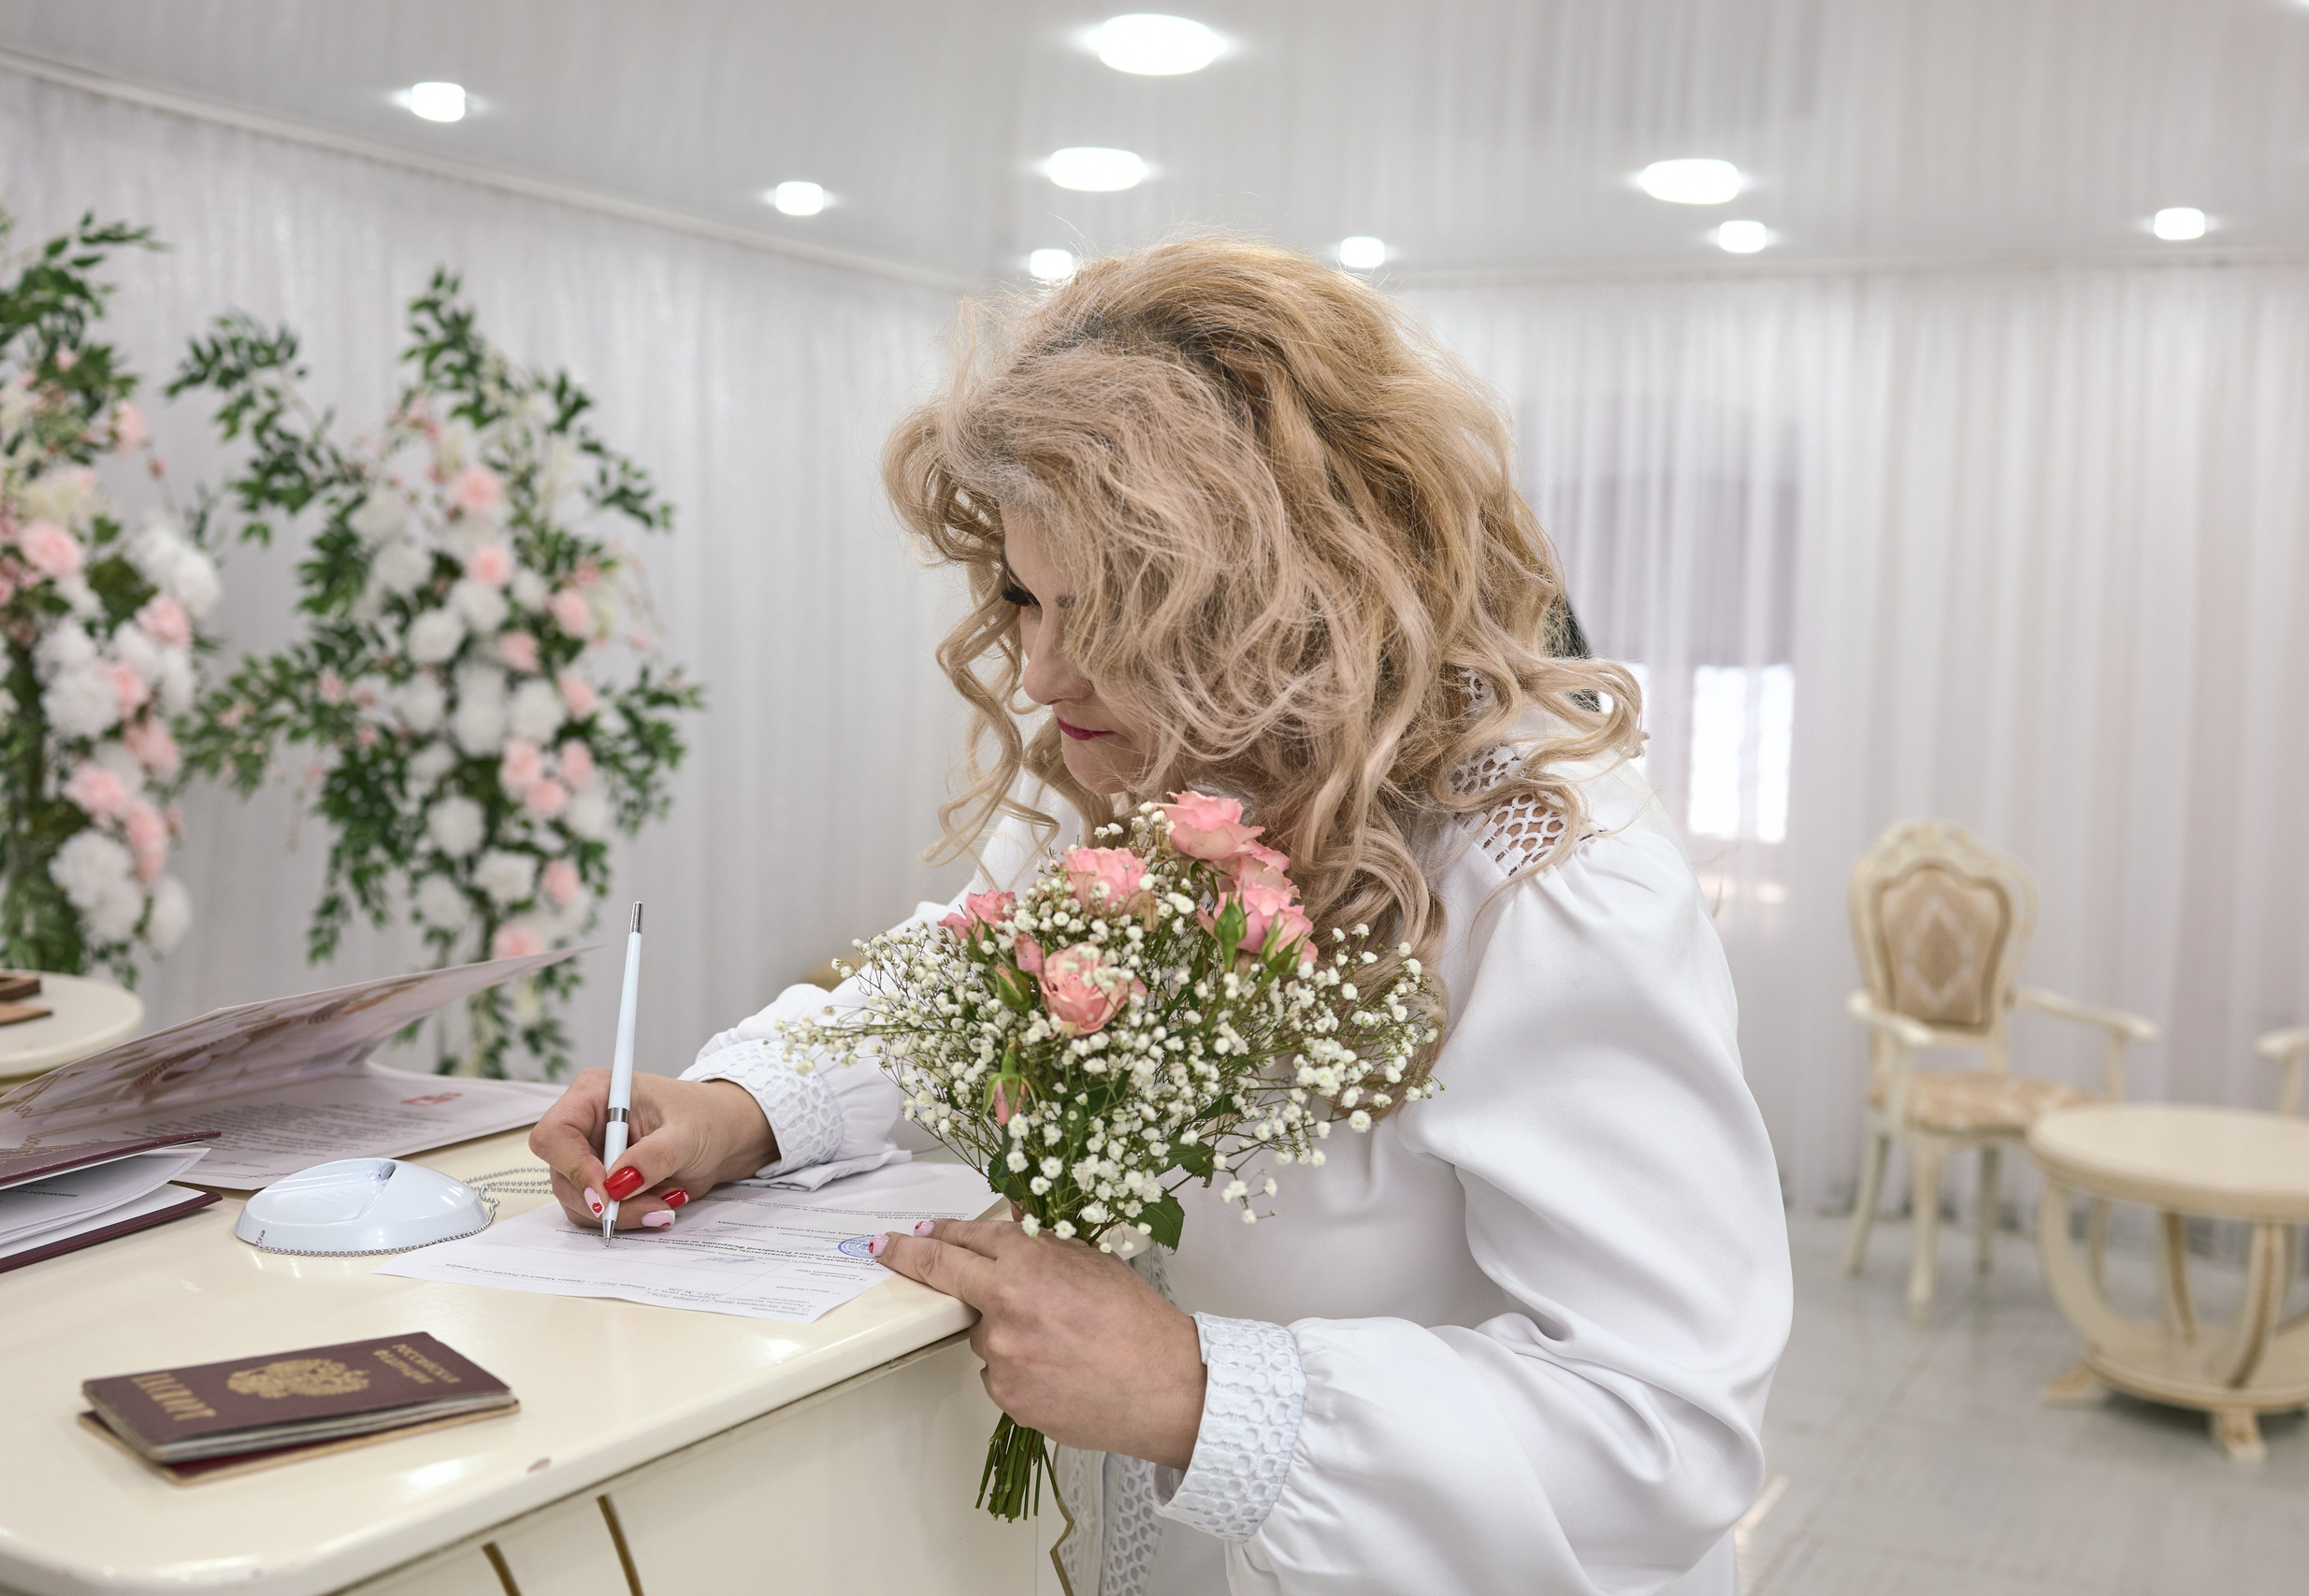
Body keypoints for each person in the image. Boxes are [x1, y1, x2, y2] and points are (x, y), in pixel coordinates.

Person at [529, 237, 1790, 1596]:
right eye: (1024, 594)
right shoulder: (1129, 762)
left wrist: (1203, 1394)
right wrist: (741, 1105)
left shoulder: (1550, 874)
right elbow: (950, 983)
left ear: (1297, 605)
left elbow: (1664, 1430)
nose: (1044, 672)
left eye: (1116, 612)